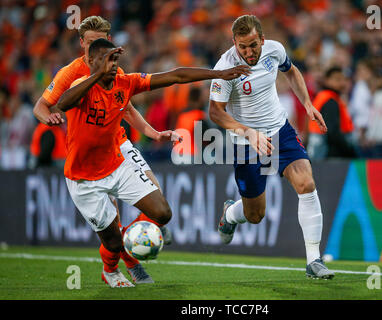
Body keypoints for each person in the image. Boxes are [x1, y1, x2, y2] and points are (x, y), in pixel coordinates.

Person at [51, 38, 249, 288]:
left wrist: (218, 73)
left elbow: (176, 76)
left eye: (114, 59)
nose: (112, 65)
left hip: (116, 164)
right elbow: (63, 103)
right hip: (83, 178)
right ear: (90, 61)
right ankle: (110, 270)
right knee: (111, 243)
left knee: (162, 213)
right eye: (105, 59)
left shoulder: (125, 83)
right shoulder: (82, 86)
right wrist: (96, 75)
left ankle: (130, 240)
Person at [32, 16, 179, 285]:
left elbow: (127, 107)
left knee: (153, 190)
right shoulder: (70, 72)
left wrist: (152, 132)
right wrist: (47, 119)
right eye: (88, 43)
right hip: (87, 148)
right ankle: (128, 260)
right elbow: (42, 105)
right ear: (81, 43)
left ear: (108, 41)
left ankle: (145, 230)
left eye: (100, 42)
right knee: (112, 220)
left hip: (118, 140)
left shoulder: (113, 66)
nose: (93, 50)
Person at [209, 15, 334, 279]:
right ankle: (231, 214)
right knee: (255, 215)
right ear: (234, 43)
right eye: (242, 46)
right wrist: (248, 133)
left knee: (306, 184)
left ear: (262, 39)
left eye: (253, 45)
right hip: (246, 142)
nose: (248, 52)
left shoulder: (275, 50)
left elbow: (292, 72)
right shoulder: (225, 67)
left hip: (280, 130)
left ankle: (314, 260)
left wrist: (307, 104)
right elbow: (216, 113)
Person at [307, 66, 356, 159]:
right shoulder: (330, 101)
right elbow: (332, 131)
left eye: (343, 79)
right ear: (327, 80)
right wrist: (349, 150)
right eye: (337, 79)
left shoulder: (322, 97)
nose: (342, 83)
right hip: (328, 154)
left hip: (317, 150)